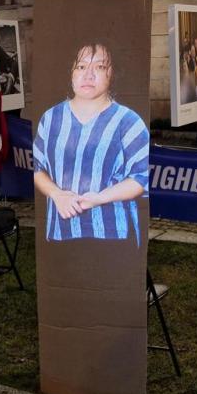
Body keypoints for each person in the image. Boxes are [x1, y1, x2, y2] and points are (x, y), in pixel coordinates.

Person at [33, 43, 149, 245]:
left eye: (100, 67)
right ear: (70, 73)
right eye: (81, 67)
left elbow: (141, 178)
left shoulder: (128, 121)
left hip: (114, 236)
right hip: (61, 232)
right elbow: (37, 169)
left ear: (112, 74)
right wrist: (56, 194)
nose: (89, 75)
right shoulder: (51, 119)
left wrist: (98, 198)